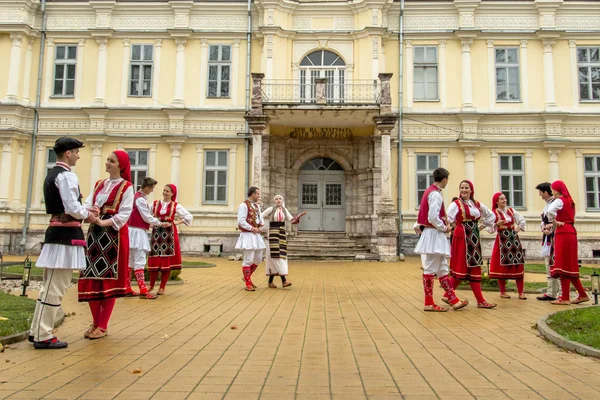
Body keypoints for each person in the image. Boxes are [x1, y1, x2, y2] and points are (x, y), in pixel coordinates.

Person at [30, 137, 96, 349]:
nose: (78, 155)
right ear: (68, 152)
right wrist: (89, 214)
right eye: (76, 152)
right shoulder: (66, 176)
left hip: (57, 234)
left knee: (49, 286)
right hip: (65, 237)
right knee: (55, 287)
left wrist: (83, 211)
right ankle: (43, 335)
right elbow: (72, 207)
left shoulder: (52, 173)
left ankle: (37, 330)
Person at [78, 150, 134, 339]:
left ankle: (103, 324)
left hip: (114, 237)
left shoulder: (127, 187)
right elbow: (86, 203)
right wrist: (90, 211)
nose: (107, 163)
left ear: (121, 165)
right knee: (91, 277)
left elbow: (125, 214)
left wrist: (104, 221)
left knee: (108, 280)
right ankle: (95, 321)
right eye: (107, 160)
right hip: (95, 235)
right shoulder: (100, 184)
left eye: (112, 161)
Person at [414, 168, 468, 312]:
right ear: (444, 179)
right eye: (447, 179)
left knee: (442, 267)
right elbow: (432, 217)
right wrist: (445, 228)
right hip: (434, 234)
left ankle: (453, 300)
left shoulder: (430, 191)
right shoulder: (435, 194)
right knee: (431, 268)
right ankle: (429, 302)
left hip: (434, 234)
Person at [445, 180, 497, 309]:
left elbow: (491, 216)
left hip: (473, 238)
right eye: (462, 188)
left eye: (466, 188)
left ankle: (480, 301)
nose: (464, 190)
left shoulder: (476, 204)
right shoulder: (455, 204)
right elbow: (447, 218)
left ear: (471, 190)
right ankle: (448, 295)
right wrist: (449, 228)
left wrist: (480, 227)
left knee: (474, 268)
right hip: (461, 237)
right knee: (461, 268)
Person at [127, 177, 170, 299]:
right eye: (152, 188)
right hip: (138, 232)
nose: (152, 191)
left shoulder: (135, 197)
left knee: (130, 260)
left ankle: (127, 287)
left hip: (131, 230)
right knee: (139, 260)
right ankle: (143, 289)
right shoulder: (140, 200)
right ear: (147, 187)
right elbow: (146, 217)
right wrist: (160, 223)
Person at [548, 180, 589, 305]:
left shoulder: (559, 200)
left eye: (552, 189)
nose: (552, 192)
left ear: (557, 190)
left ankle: (565, 297)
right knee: (569, 264)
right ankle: (582, 294)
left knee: (563, 265)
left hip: (563, 232)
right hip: (571, 230)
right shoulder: (570, 201)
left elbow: (549, 212)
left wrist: (554, 222)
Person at [147, 184, 193, 295]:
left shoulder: (175, 206)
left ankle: (162, 287)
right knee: (154, 259)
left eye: (167, 191)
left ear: (172, 193)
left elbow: (188, 216)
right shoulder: (155, 204)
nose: (165, 192)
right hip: (156, 234)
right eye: (164, 190)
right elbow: (145, 214)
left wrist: (176, 222)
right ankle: (151, 286)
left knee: (165, 261)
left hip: (168, 235)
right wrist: (151, 224)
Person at [261, 195, 306, 288]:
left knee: (280, 255)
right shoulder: (271, 209)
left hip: (281, 234)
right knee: (276, 256)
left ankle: (270, 282)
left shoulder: (285, 210)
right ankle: (284, 281)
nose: (278, 200)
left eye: (280, 199)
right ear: (274, 201)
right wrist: (262, 226)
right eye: (276, 199)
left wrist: (298, 217)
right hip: (272, 234)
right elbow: (261, 215)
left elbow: (291, 220)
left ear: (282, 200)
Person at [488, 192, 527, 300]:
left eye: (505, 198)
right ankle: (502, 291)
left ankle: (521, 292)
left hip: (513, 239)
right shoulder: (494, 213)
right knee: (502, 266)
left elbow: (522, 220)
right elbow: (489, 229)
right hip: (502, 240)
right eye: (501, 199)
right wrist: (497, 224)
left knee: (517, 264)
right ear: (496, 201)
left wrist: (518, 228)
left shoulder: (511, 210)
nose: (504, 200)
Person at [236, 187, 266, 291]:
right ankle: (248, 282)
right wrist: (251, 228)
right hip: (248, 235)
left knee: (258, 259)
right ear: (252, 194)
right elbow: (241, 221)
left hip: (256, 235)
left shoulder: (257, 206)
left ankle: (246, 277)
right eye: (257, 194)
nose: (259, 196)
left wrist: (261, 226)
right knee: (248, 259)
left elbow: (260, 218)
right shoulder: (243, 205)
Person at [535, 182, 561, 301]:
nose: (539, 195)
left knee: (555, 263)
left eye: (540, 192)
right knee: (548, 264)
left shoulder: (556, 203)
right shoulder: (547, 205)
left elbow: (558, 219)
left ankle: (559, 292)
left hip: (554, 237)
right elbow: (543, 220)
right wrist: (543, 227)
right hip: (547, 237)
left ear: (546, 192)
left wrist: (550, 227)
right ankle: (551, 292)